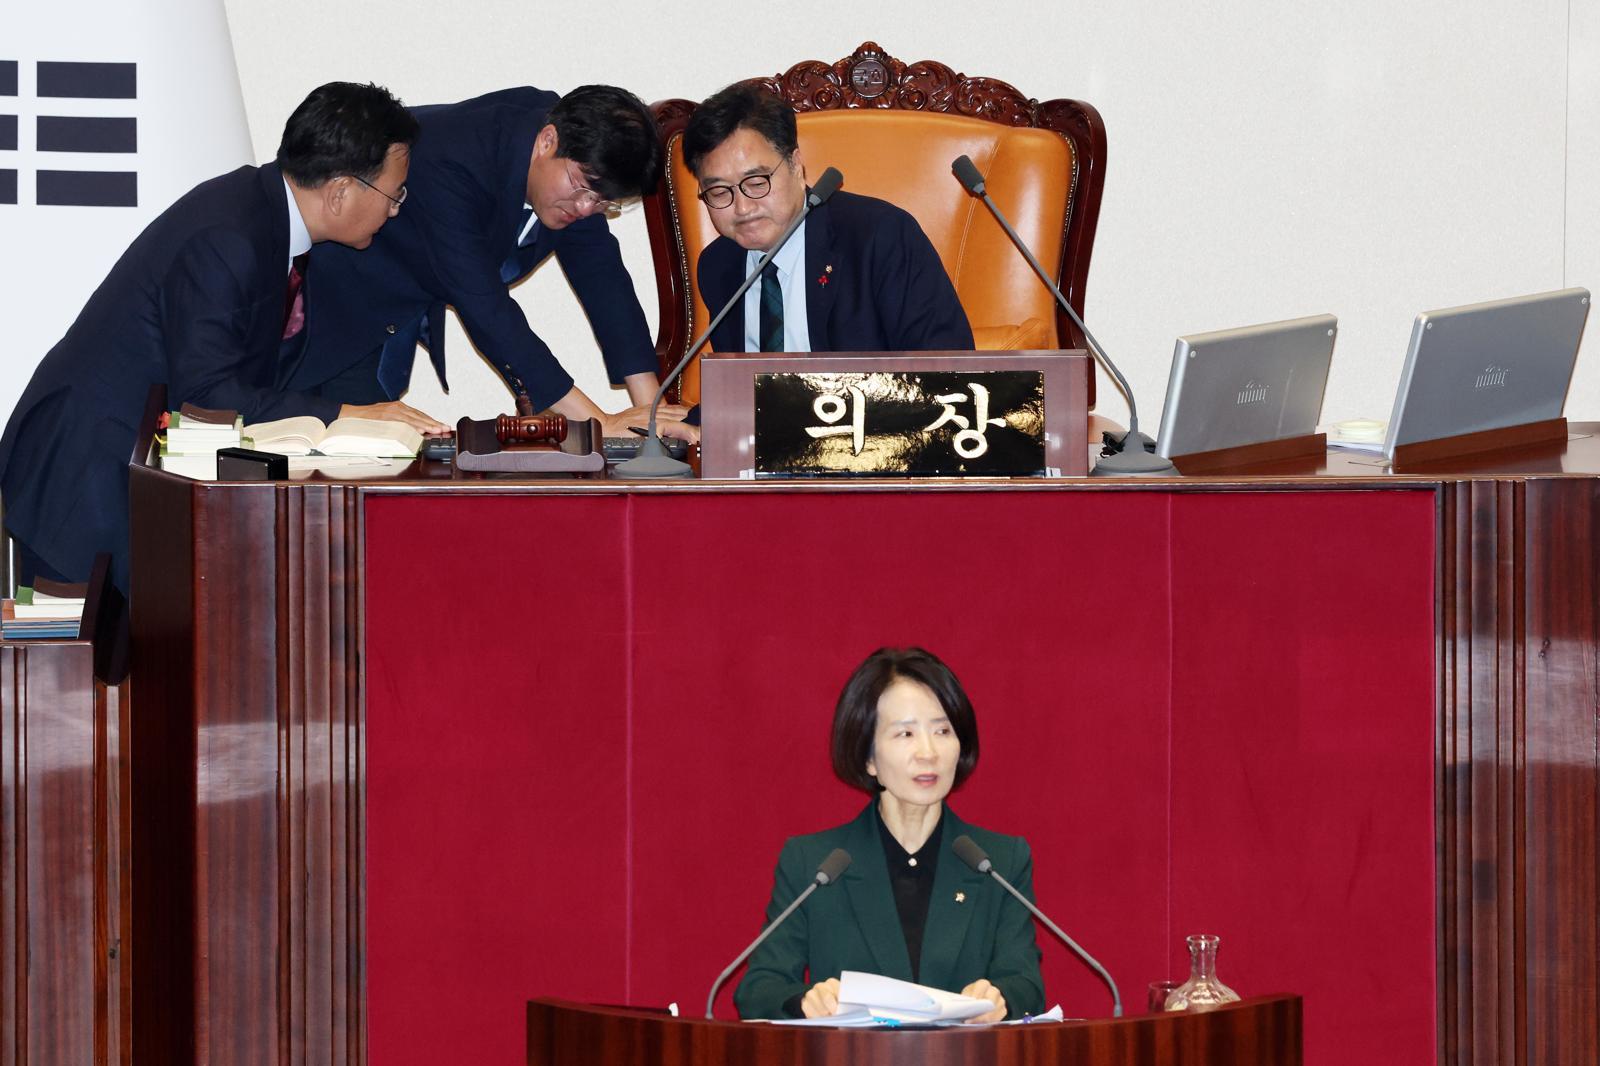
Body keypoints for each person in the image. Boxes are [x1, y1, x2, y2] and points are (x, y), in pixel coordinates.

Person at [0, 81, 436, 591]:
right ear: (340, 191)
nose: (394, 210)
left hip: (121, 470)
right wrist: (349, 416)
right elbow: (206, 394)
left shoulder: (264, 217)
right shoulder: (230, 237)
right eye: (393, 194)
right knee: (70, 667)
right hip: (82, 473)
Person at [295, 85, 691, 439]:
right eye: (584, 189)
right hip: (330, 306)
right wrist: (599, 422)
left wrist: (649, 410)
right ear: (547, 141)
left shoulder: (570, 162)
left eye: (604, 203)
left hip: (393, 306)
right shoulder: (454, 159)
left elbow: (604, 280)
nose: (587, 207)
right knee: (343, 461)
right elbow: (485, 307)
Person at [733, 647, 1045, 1021]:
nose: (928, 752)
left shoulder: (998, 861)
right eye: (906, 733)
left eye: (943, 730)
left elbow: (1027, 984)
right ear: (868, 757)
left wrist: (1001, 999)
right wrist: (804, 1001)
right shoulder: (815, 865)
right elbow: (758, 988)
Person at [684, 84, 974, 359]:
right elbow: (733, 391)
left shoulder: (881, 237)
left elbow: (947, 370)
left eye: (757, 182)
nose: (743, 208)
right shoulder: (718, 265)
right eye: (719, 191)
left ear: (796, 165)